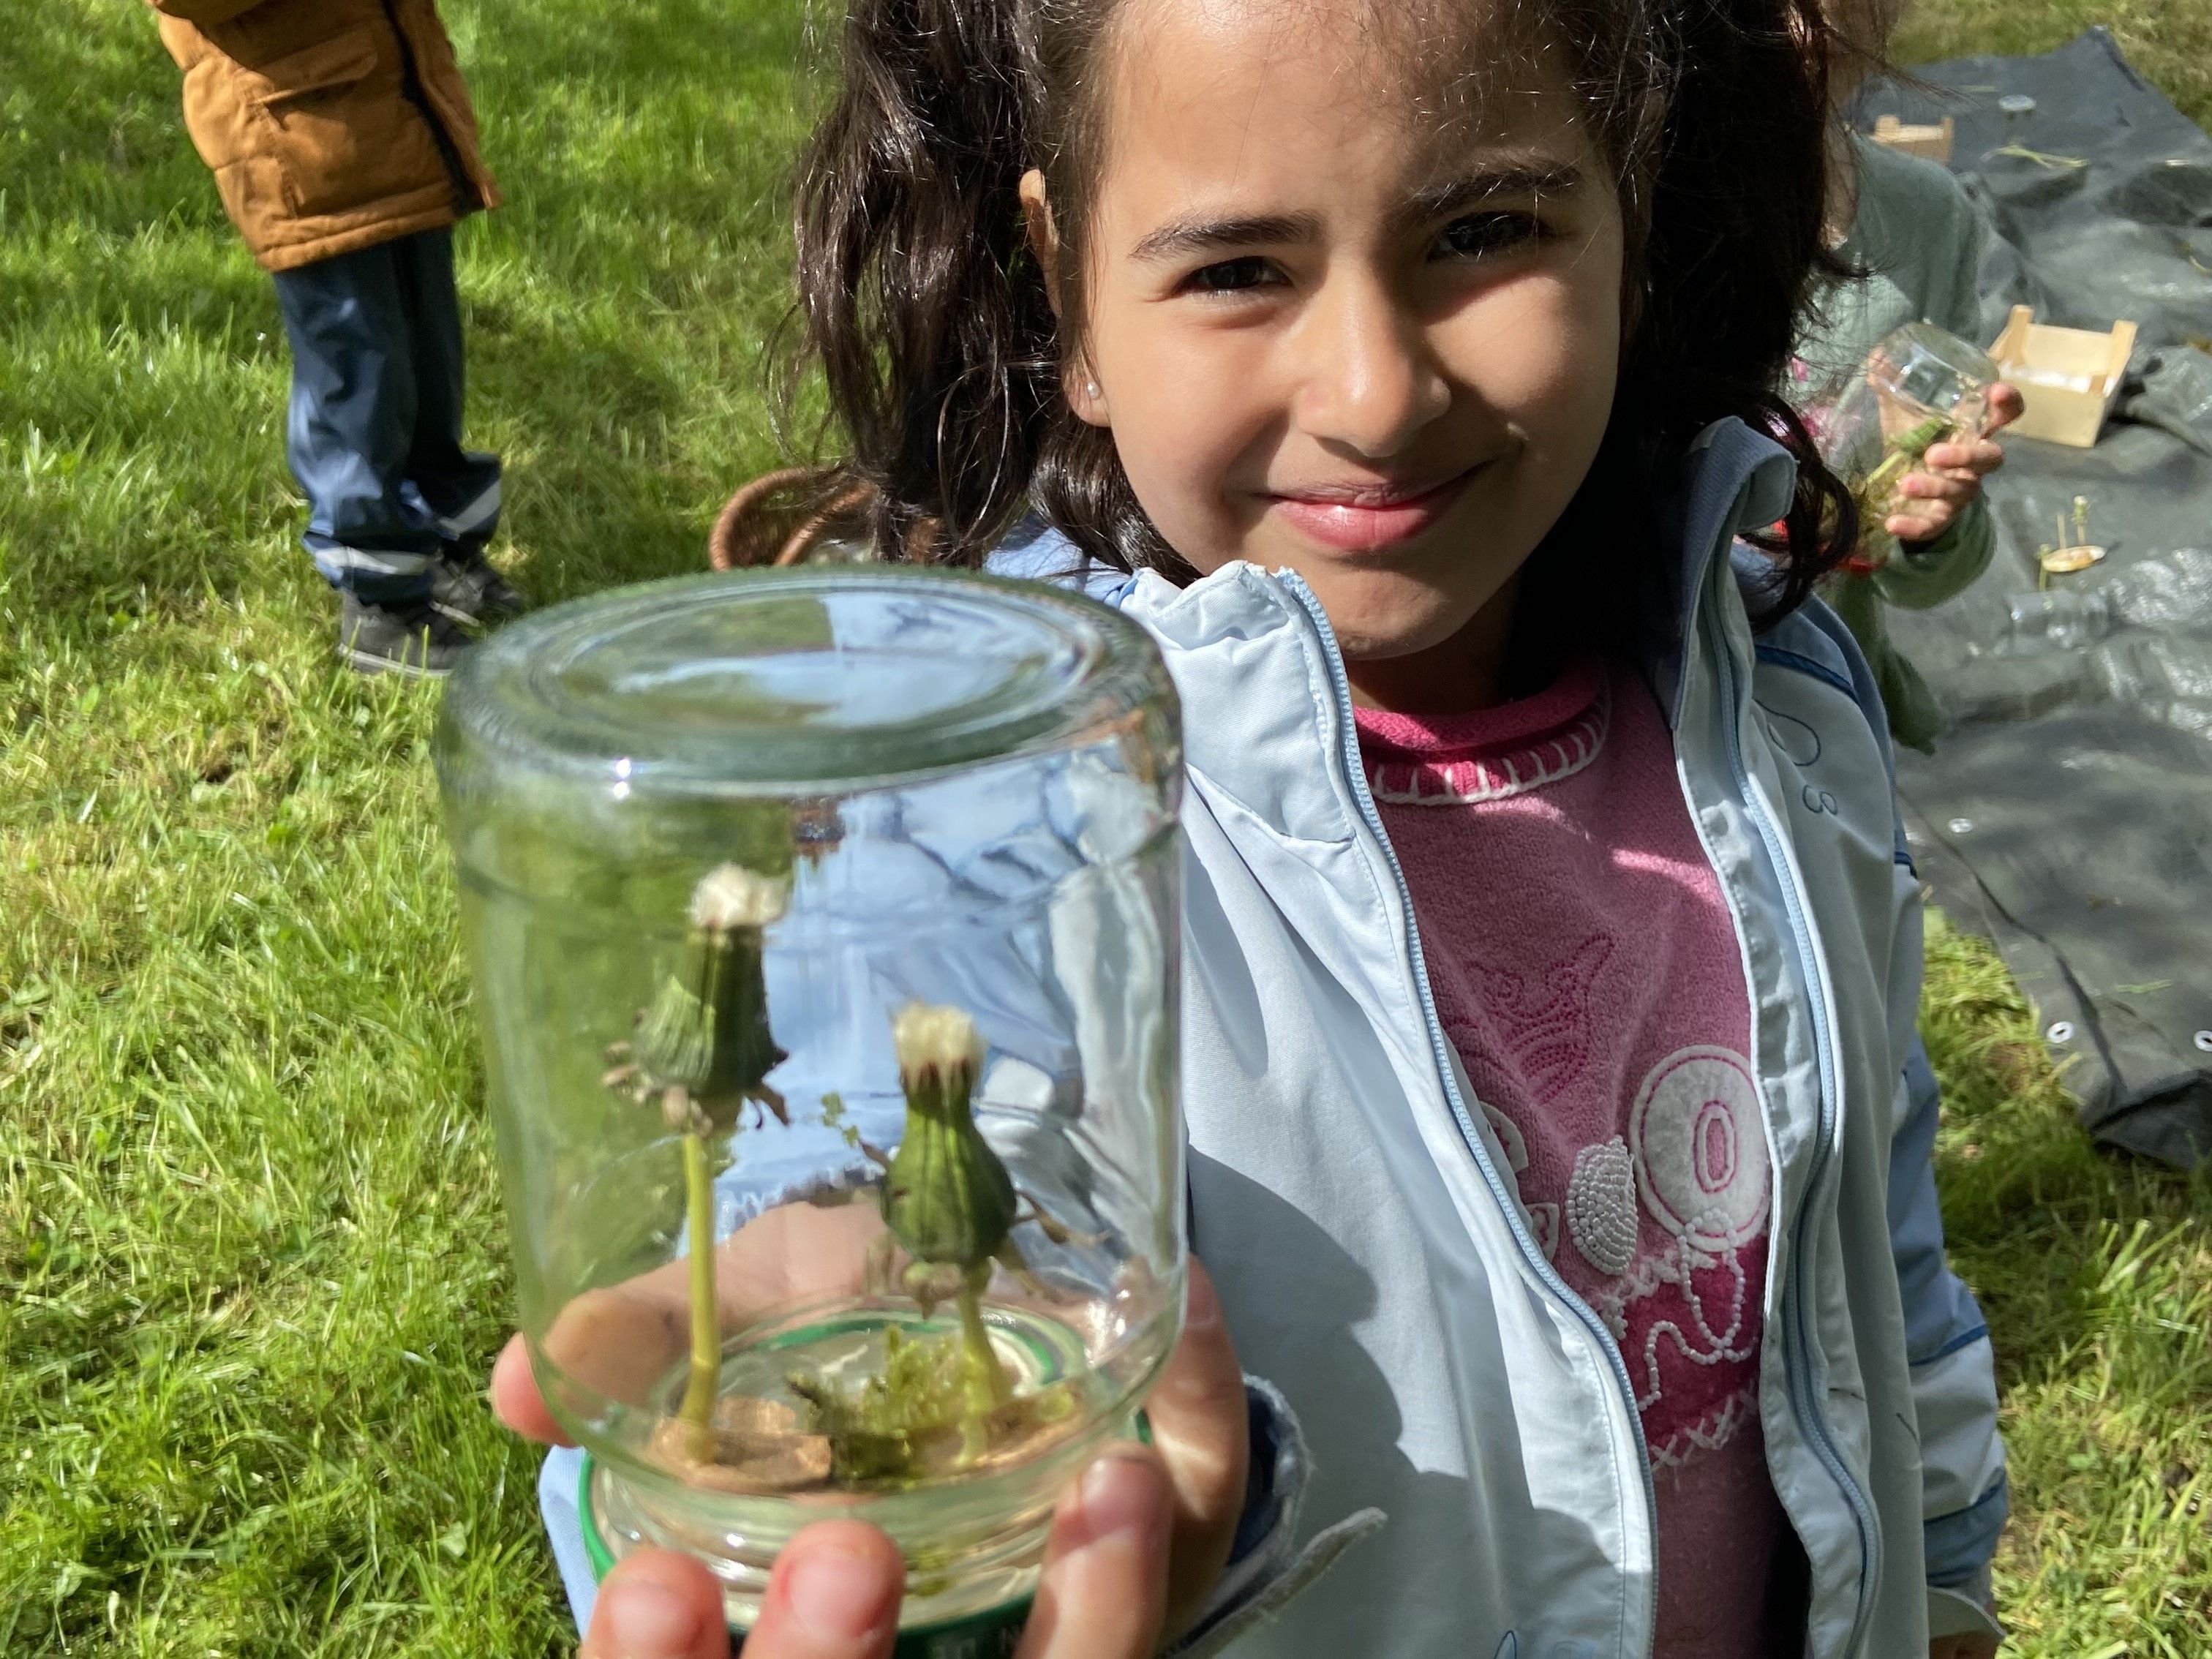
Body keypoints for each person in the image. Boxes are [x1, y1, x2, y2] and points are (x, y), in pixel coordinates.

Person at [498, 0, 2011, 1649]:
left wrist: (1936, 1584)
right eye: (1235, 270)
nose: (1373, 392)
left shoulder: (1773, 692)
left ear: (1630, 207)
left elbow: (1885, 1235)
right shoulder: (989, 812)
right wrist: (852, 1358)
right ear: (1066, 279)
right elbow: (848, 1190)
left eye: (1485, 231)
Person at [148, 0, 521, 676]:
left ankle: (442, 551)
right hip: (298, 141)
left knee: (427, 358)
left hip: (393, 116)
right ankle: (380, 609)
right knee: (359, 373)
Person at [1791, 0, 2025, 750]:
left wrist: (1934, 517)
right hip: (1637, 731)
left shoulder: (1926, 219)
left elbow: (1919, 577)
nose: (1797, 23)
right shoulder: (1629, 214)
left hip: (1821, 721)